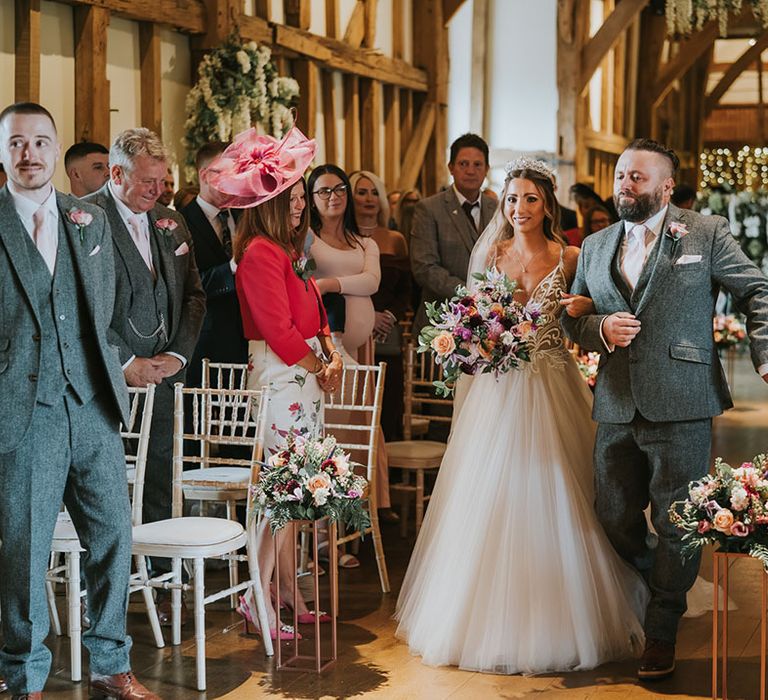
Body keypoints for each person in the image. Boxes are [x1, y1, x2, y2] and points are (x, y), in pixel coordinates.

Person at [395, 157, 647, 675]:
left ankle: (584, 606)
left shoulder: (572, 255)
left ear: (546, 204)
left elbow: (599, 309)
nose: (520, 207)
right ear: (503, 203)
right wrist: (479, 339)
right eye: (512, 198)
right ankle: (482, 618)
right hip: (500, 389)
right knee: (492, 493)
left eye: (530, 198)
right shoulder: (492, 251)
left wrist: (581, 309)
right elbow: (472, 317)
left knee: (567, 486)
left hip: (555, 381)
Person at [561, 138, 768, 680]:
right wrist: (599, 328)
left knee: (679, 521)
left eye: (639, 177)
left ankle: (662, 628)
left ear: (666, 186)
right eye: (622, 175)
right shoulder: (596, 244)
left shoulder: (705, 232)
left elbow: (757, 290)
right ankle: (664, 583)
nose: (626, 185)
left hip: (683, 399)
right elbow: (574, 317)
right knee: (612, 515)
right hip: (615, 401)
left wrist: (765, 353)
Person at [0, 102, 158, 698]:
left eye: (41, 142)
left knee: (114, 536)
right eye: (16, 143)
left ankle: (111, 663)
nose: (30, 154)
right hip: (22, 412)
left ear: (55, 146)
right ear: (2, 153)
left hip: (92, 404)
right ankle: (23, 678)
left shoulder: (87, 219)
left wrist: (129, 363)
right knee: (25, 548)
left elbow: (107, 307)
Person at [207, 126, 343, 639]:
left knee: (297, 496)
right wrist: (317, 365)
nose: (301, 206)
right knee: (281, 496)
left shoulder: (288, 251)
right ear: (268, 203)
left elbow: (313, 314)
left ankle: (287, 590)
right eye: (293, 197)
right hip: (281, 380)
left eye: (303, 197)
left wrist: (328, 353)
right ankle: (255, 597)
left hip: (302, 377)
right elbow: (278, 329)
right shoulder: (260, 253)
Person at [84, 128, 205, 622]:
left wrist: (176, 357)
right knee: (103, 486)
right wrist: (124, 362)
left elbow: (195, 296)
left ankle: (155, 580)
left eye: (162, 181)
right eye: (147, 182)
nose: (158, 191)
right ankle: (103, 594)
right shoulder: (83, 218)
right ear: (116, 173)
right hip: (104, 378)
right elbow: (78, 304)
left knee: (160, 473)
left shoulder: (172, 223)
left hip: (166, 375)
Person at [410, 133, 496, 330]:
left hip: (488, 323)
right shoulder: (429, 209)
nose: (471, 171)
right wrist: (468, 293)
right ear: (451, 168)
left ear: (487, 169)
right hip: (441, 321)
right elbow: (425, 267)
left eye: (477, 165)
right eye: (463, 164)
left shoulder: (498, 210)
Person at [180, 142, 247, 388]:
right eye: (227, 173)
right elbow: (184, 285)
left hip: (250, 335)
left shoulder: (245, 216)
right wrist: (231, 268)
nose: (235, 181)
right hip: (207, 339)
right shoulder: (181, 222)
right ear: (205, 175)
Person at [351, 170, 411, 443]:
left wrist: (389, 316)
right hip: (352, 329)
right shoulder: (342, 238)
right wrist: (367, 316)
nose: (369, 198)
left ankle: (389, 475)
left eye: (374, 192)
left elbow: (407, 291)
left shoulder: (395, 239)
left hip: (388, 332)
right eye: (362, 192)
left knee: (388, 404)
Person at [307, 164, 381, 362]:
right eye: (324, 191)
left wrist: (328, 284)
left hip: (360, 345)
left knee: (357, 394)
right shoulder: (307, 238)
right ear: (312, 200)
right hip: (320, 345)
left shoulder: (365, 243)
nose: (334, 196)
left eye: (340, 189)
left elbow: (371, 282)